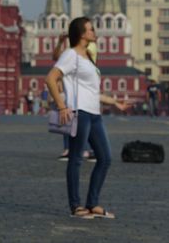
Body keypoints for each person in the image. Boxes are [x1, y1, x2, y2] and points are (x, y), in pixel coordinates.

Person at [45, 17, 130, 219]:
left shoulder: (88, 58)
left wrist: (115, 103)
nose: (94, 32)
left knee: (105, 158)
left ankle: (92, 203)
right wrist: (62, 105)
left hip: (94, 114)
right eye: (91, 29)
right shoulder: (70, 55)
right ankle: (76, 206)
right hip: (79, 113)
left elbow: (92, 91)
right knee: (75, 160)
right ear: (82, 34)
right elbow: (50, 78)